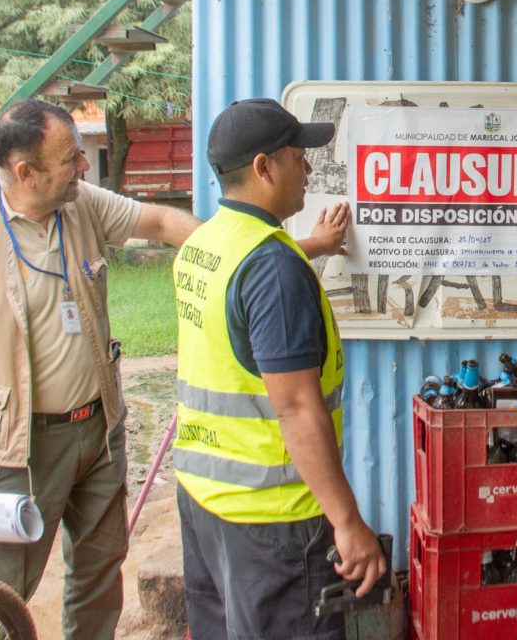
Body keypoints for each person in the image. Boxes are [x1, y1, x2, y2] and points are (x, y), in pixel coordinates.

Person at [0, 99, 202, 639]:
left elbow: (159, 219)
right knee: (1, 593)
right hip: (17, 448)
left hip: (98, 432)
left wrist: (238, 247)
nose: (84, 167)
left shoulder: (80, 204)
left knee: (98, 578)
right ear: (25, 172)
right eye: (70, 158)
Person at [172, 98, 386, 640]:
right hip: (274, 523)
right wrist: (346, 521)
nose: (309, 168)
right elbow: (295, 408)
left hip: (205, 504)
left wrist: (312, 245)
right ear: (265, 167)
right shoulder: (273, 267)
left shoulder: (206, 244)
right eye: (298, 156)